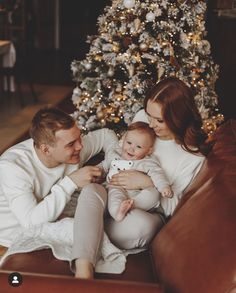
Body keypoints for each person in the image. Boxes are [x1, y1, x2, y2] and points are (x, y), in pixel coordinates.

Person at [0, 107, 118, 279]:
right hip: (11, 239)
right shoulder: (13, 167)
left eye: (79, 138)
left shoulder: (75, 150)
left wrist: (114, 163)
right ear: (46, 149)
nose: (80, 146)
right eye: (71, 144)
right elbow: (31, 223)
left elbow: (106, 134)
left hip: (53, 221)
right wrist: (70, 182)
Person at [105, 77, 208, 250]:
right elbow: (121, 151)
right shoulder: (142, 119)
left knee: (140, 229)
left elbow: (173, 208)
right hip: (115, 190)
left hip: (148, 210)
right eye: (148, 115)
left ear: (178, 118)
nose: (151, 125)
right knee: (92, 192)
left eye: (159, 120)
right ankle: (92, 224)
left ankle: (86, 227)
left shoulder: (192, 156)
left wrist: (147, 182)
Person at [102, 121, 173, 222]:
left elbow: (157, 174)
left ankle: (131, 205)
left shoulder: (147, 162)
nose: (131, 149)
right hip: (116, 186)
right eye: (129, 143)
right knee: (114, 197)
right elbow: (104, 165)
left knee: (153, 194)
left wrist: (164, 187)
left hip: (138, 193)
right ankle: (118, 212)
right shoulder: (115, 154)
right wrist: (99, 171)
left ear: (149, 151)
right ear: (124, 140)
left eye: (138, 147)